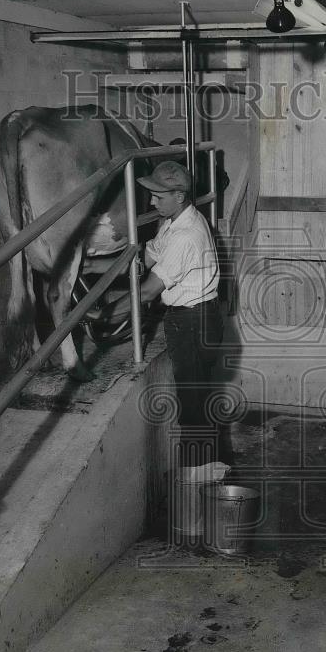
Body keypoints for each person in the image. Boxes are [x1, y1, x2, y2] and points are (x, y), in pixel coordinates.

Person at [97, 160, 224, 467]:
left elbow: (147, 292)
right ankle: (208, 472)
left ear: (179, 195)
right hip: (195, 318)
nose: (152, 201)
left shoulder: (186, 235)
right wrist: (90, 266)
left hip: (194, 322)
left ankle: (200, 481)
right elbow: (145, 257)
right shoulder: (174, 222)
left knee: (193, 408)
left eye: (158, 196)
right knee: (197, 402)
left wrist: (100, 317)